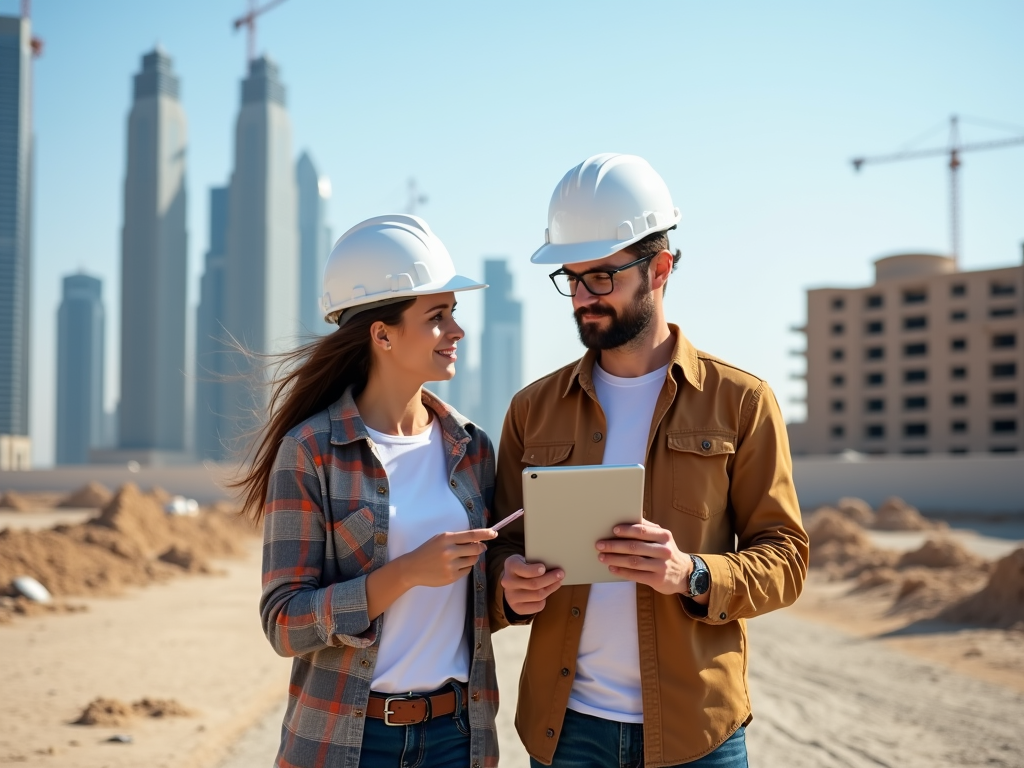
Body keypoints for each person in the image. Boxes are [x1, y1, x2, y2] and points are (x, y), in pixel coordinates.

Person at [487, 154, 809, 767]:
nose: (582, 297)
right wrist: (508, 585)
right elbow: (499, 545)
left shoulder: (741, 402)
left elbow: (788, 560)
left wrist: (691, 573)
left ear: (659, 269)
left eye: (601, 277)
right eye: (571, 277)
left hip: (697, 734)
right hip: (566, 732)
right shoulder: (533, 410)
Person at [236, 214, 500, 768]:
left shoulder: (471, 448)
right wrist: (405, 573)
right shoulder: (310, 451)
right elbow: (284, 623)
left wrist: (514, 591)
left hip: (457, 738)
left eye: (454, 313)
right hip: (347, 743)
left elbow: (478, 604)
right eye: (437, 317)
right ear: (382, 334)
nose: (457, 331)